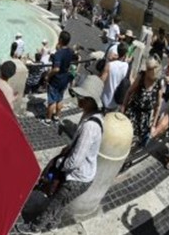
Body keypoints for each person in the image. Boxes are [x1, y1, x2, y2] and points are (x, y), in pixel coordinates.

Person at [17, 75, 104, 233]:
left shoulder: (90, 127)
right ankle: (54, 222)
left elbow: (75, 161)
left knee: (54, 203)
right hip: (85, 175)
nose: (77, 99)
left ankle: (35, 227)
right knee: (61, 202)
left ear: (91, 100)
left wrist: (59, 164)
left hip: (77, 178)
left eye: (81, 97)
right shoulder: (95, 116)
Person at [120, 57, 165, 146]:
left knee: (135, 141)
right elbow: (129, 92)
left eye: (149, 69)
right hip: (133, 111)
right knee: (124, 136)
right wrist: (123, 107)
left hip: (144, 118)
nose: (146, 70)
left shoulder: (159, 82)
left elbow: (158, 106)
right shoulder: (142, 76)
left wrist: (153, 125)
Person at [43, 31, 74, 125]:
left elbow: (56, 69)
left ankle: (48, 120)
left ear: (60, 40)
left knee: (52, 100)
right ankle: (56, 117)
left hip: (56, 80)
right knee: (60, 99)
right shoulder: (70, 51)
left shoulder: (58, 54)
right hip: (65, 78)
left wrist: (48, 75)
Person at [100, 42, 129, 111]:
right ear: (125, 54)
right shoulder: (126, 66)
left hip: (104, 99)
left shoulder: (109, 65)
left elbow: (101, 81)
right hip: (116, 101)